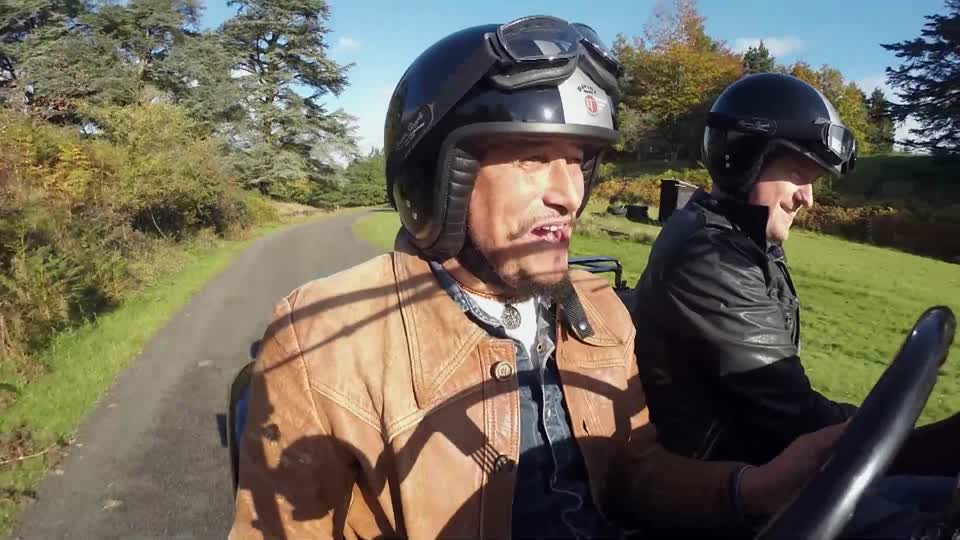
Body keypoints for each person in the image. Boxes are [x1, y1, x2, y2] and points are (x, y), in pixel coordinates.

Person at [227, 21, 896, 540]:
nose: (568, 193)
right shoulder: (324, 340)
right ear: (437, 179)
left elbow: (634, 474)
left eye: (578, 160)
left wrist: (752, 489)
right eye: (531, 157)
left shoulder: (598, 309)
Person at [631, 72, 959, 536]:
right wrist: (917, 439)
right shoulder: (710, 257)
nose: (807, 197)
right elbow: (792, 416)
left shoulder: (740, 240)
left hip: (762, 464)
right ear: (744, 158)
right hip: (736, 497)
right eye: (800, 175)